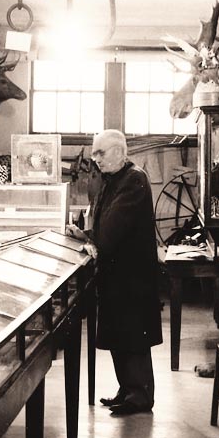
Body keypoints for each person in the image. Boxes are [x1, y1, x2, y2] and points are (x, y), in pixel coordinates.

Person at [67, 130, 161, 416]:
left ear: (120, 151)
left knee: (133, 337)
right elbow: (103, 222)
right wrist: (85, 234)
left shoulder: (134, 179)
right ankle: (127, 389)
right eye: (94, 153)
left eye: (101, 153)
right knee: (121, 335)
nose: (95, 159)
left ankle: (140, 396)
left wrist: (90, 238)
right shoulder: (113, 179)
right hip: (118, 274)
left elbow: (112, 228)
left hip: (133, 276)